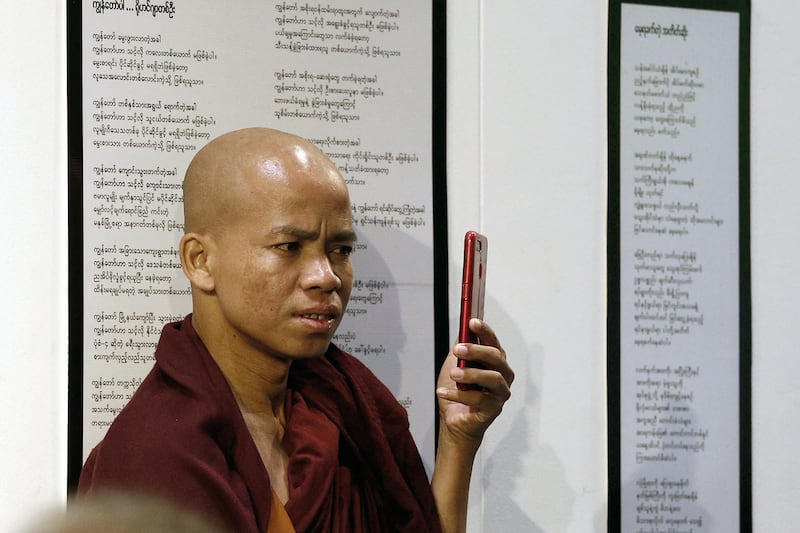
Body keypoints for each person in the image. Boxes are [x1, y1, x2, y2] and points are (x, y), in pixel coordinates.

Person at [78, 127, 514, 533]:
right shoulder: (156, 455)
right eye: (288, 247)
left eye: (340, 249)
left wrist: (459, 438)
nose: (327, 277)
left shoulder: (343, 404)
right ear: (200, 261)